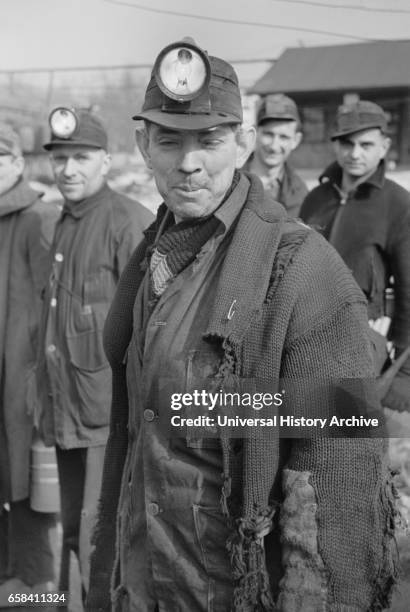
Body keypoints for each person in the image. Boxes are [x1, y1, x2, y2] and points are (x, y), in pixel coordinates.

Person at [87, 41, 397, 612]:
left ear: (243, 145)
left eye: (209, 141)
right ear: (141, 146)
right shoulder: (150, 259)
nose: (188, 162)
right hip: (141, 583)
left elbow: (336, 488)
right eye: (169, 140)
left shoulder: (301, 273)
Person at [36, 108, 153, 601]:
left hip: (109, 421)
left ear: (106, 160)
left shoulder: (129, 223)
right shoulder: (63, 221)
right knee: (70, 537)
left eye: (81, 157)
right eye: (60, 158)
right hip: (67, 415)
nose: (68, 169)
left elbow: (152, 329)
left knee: (99, 541)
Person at [300, 101, 410, 413]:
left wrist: (403, 365)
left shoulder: (398, 204)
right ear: (335, 145)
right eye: (347, 143)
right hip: (307, 332)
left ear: (384, 146)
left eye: (366, 144)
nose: (355, 153)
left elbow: (408, 289)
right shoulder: (315, 199)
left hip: (363, 338)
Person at [0, 125, 59, 604]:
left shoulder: (38, 217)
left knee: (29, 484)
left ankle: (40, 590)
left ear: (18, 163)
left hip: (23, 380)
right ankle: (10, 580)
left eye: (0, 157)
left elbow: (51, 306)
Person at [243, 93, 307, 217]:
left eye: (283, 137)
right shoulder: (230, 179)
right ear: (255, 133)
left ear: (296, 140)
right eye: (268, 134)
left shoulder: (300, 192)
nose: (274, 146)